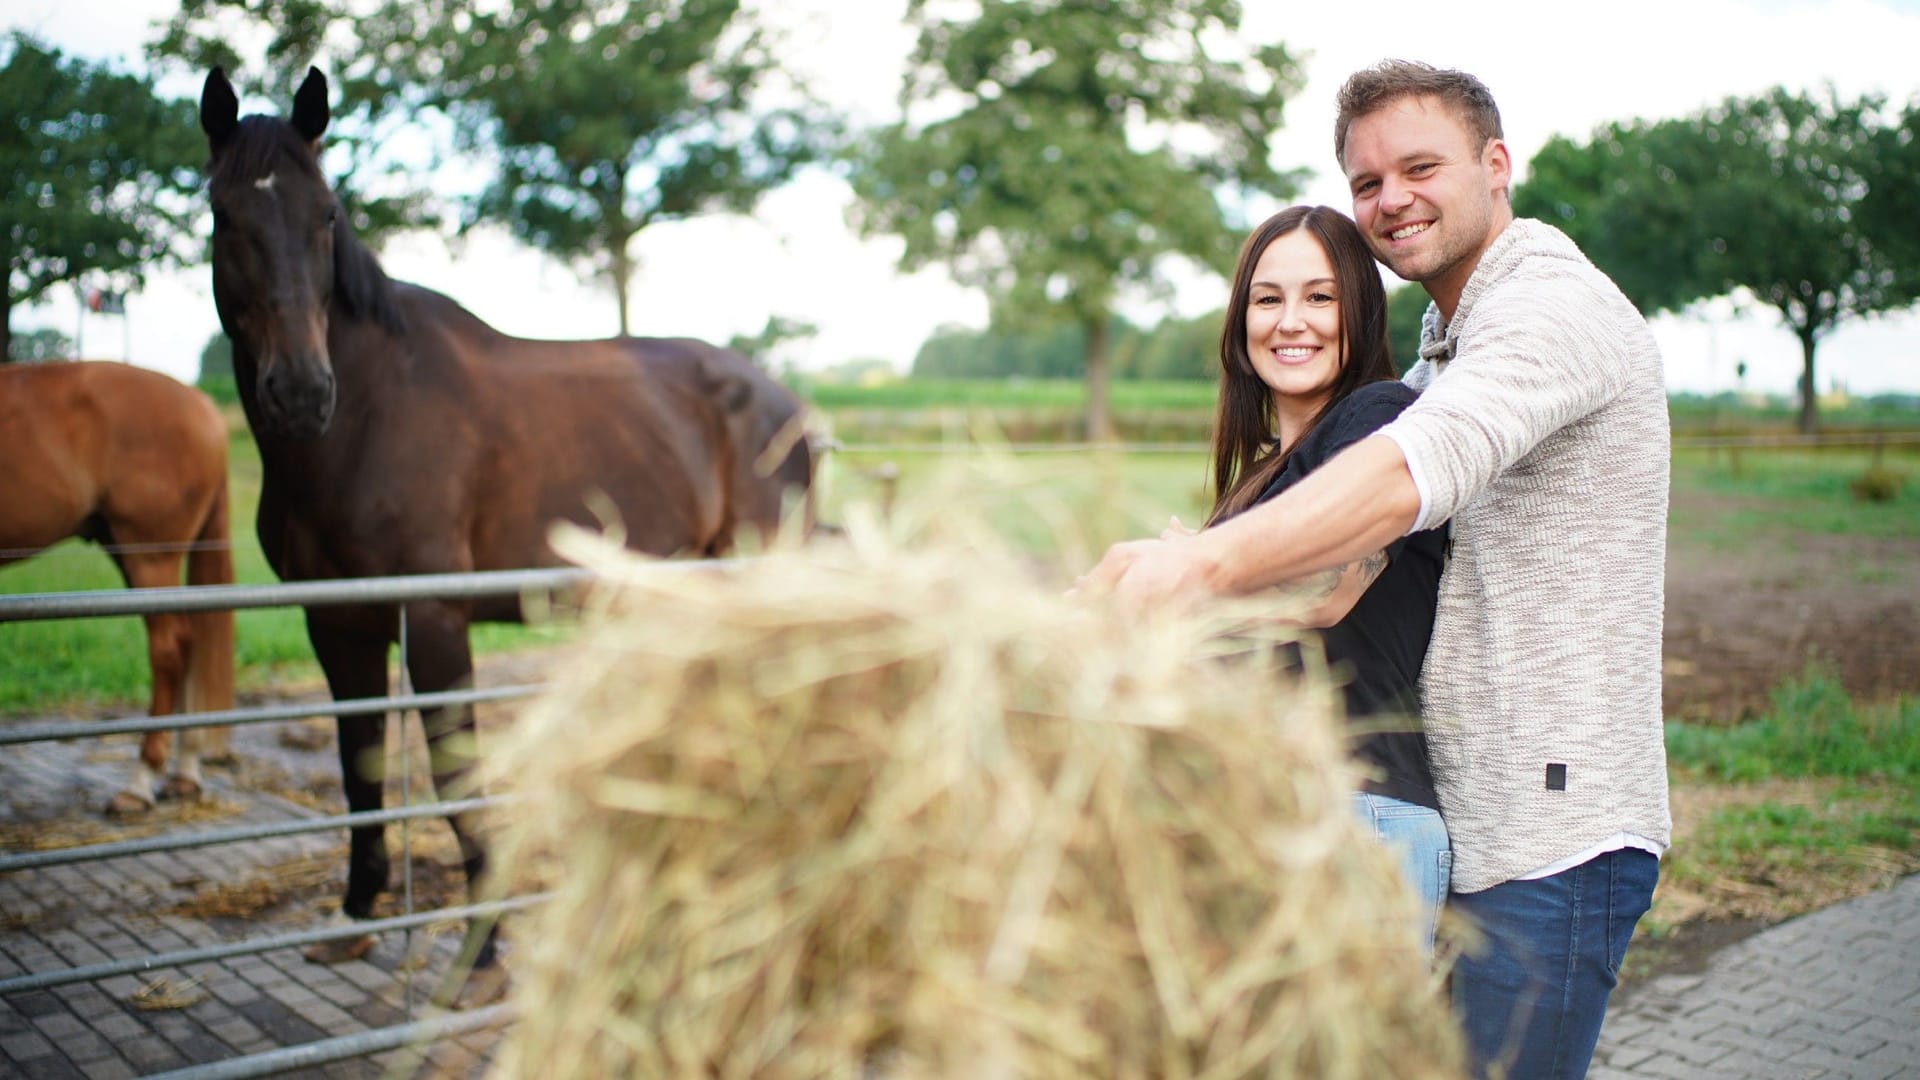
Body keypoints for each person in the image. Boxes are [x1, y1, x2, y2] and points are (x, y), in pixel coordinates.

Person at [1080, 59, 1671, 1080]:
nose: (1391, 198)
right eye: (1368, 182)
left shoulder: (1549, 309)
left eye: (1420, 167)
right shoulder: (1446, 343)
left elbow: (1410, 475)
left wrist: (1201, 566)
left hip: (1552, 834)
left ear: (1496, 165)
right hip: (1477, 819)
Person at [1191, 204, 1451, 955]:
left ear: (1358, 311)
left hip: (1358, 817)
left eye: (1320, 296)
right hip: (1271, 814)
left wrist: (1174, 584)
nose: (1290, 321)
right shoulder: (1261, 478)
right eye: (1268, 299)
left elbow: (1324, 590)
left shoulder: (1381, 419)